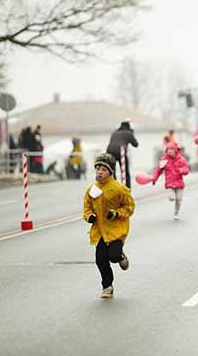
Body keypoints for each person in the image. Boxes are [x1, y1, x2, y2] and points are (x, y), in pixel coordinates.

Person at [82, 153, 135, 299]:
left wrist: (116, 214)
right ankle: (107, 287)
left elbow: (130, 207)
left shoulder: (119, 189)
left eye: (103, 169)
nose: (99, 172)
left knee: (114, 256)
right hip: (99, 231)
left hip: (116, 231)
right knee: (100, 260)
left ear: (110, 171)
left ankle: (121, 256)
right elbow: (86, 208)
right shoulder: (91, 190)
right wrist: (89, 217)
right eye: (97, 168)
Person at [152, 142, 190, 220]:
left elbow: (186, 170)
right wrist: (154, 178)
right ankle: (171, 196)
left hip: (179, 183)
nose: (170, 151)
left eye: (171, 149)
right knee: (172, 195)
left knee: (179, 199)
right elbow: (158, 170)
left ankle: (176, 212)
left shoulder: (181, 159)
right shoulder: (164, 160)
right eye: (168, 149)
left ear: (175, 150)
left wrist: (182, 170)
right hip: (169, 182)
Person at [107, 121, 139, 188]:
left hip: (109, 151)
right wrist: (132, 134)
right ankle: (126, 188)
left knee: (112, 171)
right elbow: (135, 144)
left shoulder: (115, 132)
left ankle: (113, 186)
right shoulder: (128, 133)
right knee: (125, 171)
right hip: (121, 152)